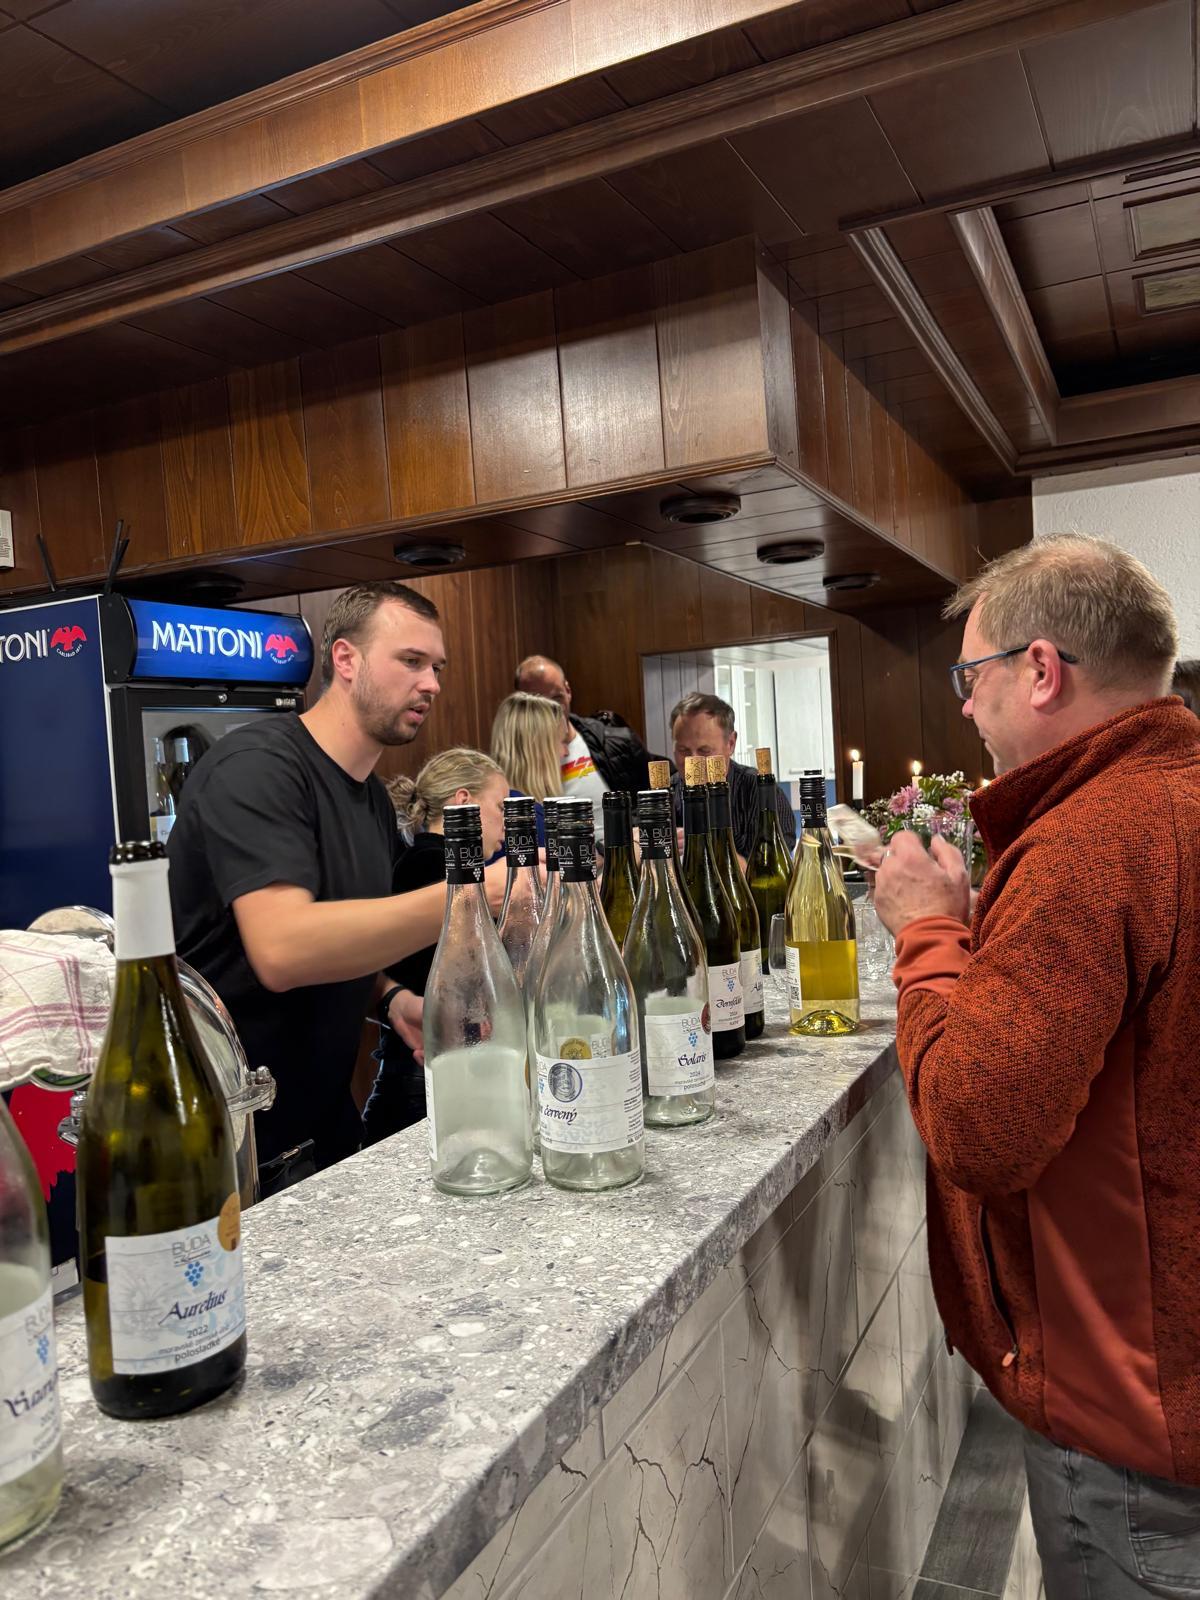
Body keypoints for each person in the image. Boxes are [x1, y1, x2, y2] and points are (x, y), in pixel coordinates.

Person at [872, 534, 1200, 1599]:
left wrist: (928, 932)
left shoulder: (1087, 843)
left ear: (1042, 670)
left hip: (1136, 1426)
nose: (968, 707)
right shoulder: (1176, 797)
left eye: (972, 677)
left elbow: (980, 1127)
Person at [168, 579, 506, 1178]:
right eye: (411, 661)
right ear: (346, 659)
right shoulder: (258, 769)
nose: (431, 683)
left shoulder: (370, 798)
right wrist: (472, 894)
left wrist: (390, 998)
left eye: (436, 667)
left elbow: (343, 931)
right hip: (232, 1149)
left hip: (322, 1128)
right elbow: (283, 949)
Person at [363, 749, 509, 1145]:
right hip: (420, 1089)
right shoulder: (428, 866)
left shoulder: (427, 863)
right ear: (463, 801)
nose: (506, 823)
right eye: (500, 806)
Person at [513, 654, 656, 830]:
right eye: (539, 703)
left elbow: (656, 798)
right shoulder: (512, 764)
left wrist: (635, 833)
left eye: (556, 698)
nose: (552, 710)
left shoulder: (615, 742)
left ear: (568, 690)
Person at [669, 691, 795, 859]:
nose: (693, 762)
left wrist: (707, 847)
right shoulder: (664, 794)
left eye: (704, 751)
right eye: (683, 750)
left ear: (731, 744)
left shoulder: (761, 791)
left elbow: (773, 865)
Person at [490, 691, 567, 843]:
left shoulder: (489, 814)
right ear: (538, 748)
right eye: (561, 741)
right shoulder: (535, 824)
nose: (565, 752)